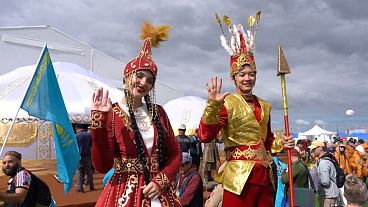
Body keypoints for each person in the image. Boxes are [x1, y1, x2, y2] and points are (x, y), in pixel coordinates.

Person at [199, 12, 295, 206]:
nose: (247, 78)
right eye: (242, 74)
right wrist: (213, 106)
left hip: (263, 177)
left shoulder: (265, 106)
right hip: (238, 179)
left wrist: (282, 143)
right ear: (233, 78)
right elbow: (205, 135)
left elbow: (267, 141)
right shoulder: (227, 103)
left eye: (251, 74)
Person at [90, 23, 181, 207]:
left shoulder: (159, 113)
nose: (143, 82)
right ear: (126, 77)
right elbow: (102, 165)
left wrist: (161, 181)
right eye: (139, 76)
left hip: (158, 191)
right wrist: (99, 123)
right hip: (124, 192)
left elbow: (175, 153)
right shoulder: (112, 114)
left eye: (149, 80)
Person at [309, 140, 339, 207]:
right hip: (329, 194)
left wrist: (316, 182)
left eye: (314, 148)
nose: (312, 150)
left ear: (320, 148)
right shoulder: (325, 159)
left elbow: (325, 181)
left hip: (327, 195)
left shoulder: (323, 163)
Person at [75, 124, 94, 192]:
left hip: (79, 156)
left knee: (79, 171)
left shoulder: (76, 136)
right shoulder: (89, 135)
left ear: (77, 129)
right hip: (87, 156)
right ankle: (91, 186)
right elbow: (91, 145)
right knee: (89, 171)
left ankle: (80, 188)